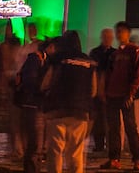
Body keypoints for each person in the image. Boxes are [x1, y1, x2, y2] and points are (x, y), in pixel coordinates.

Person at [43, 30, 98, 173]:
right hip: (81, 112)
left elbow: (46, 82)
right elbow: (93, 90)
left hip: (57, 110)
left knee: (55, 150)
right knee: (75, 152)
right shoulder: (89, 62)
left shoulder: (57, 59)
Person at [100, 21, 139, 171]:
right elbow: (109, 74)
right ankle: (114, 159)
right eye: (117, 31)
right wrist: (105, 91)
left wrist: (131, 92)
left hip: (126, 95)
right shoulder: (115, 54)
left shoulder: (135, 51)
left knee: (131, 127)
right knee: (113, 129)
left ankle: (138, 159)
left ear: (128, 33)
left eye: (122, 31)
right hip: (112, 94)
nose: (119, 34)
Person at [17, 36, 52, 173]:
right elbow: (30, 82)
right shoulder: (34, 59)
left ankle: (33, 168)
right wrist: (42, 90)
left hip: (35, 104)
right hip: (31, 105)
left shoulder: (42, 60)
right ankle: (31, 169)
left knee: (37, 142)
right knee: (34, 142)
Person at [89, 28, 116, 153]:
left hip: (110, 90)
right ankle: (99, 144)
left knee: (109, 119)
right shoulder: (95, 52)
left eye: (109, 37)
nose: (107, 39)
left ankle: (110, 145)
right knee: (98, 119)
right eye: (106, 37)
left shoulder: (114, 53)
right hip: (97, 90)